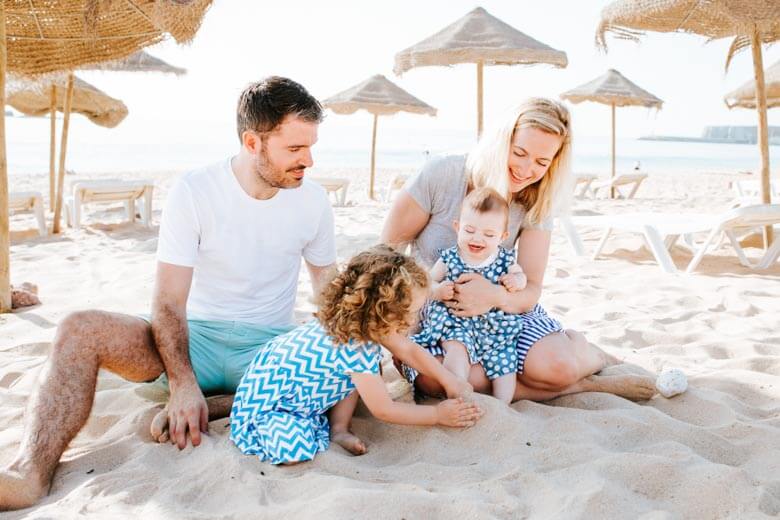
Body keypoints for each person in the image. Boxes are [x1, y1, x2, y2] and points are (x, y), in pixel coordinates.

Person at [0, 77, 335, 511]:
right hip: (191, 343)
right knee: (78, 328)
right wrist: (181, 384)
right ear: (253, 142)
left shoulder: (314, 202)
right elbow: (168, 303)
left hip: (269, 353)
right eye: (295, 149)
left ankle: (222, 403)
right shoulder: (196, 190)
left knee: (354, 356)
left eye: (310, 147)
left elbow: (329, 292)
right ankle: (29, 473)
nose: (308, 160)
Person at [381, 97, 657, 403]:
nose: (526, 170)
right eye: (520, 153)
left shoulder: (538, 199)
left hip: (502, 312)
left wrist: (493, 296)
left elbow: (533, 288)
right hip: (432, 314)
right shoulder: (442, 174)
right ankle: (586, 386)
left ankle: (588, 355)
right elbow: (384, 258)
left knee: (557, 367)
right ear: (502, 142)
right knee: (439, 380)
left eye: (542, 162)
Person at [229, 245, 482, 465]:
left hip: (292, 380)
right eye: (412, 312)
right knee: (295, 452)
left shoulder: (363, 320)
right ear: (384, 312)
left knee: (359, 374)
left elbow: (408, 350)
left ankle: (339, 429)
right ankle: (318, 426)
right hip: (274, 405)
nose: (415, 318)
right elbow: (384, 409)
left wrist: (449, 380)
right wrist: (437, 415)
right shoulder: (355, 346)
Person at [410, 187, 528, 404]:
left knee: (505, 362)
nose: (478, 239)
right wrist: (437, 290)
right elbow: (428, 282)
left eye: (489, 234)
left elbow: (521, 277)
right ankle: (457, 392)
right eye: (470, 230)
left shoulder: (505, 259)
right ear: (457, 227)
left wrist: (517, 281)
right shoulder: (450, 257)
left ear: (503, 237)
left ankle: (503, 405)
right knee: (456, 348)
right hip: (456, 321)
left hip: (493, 325)